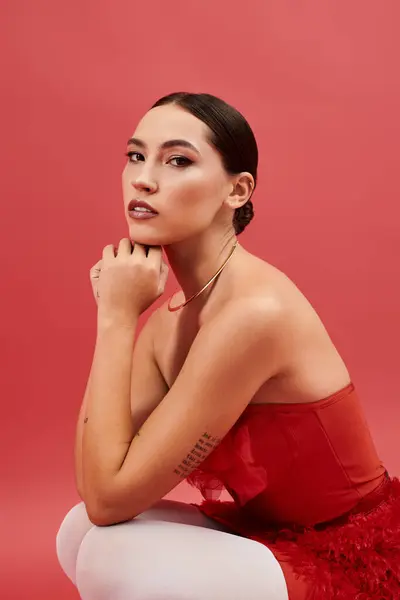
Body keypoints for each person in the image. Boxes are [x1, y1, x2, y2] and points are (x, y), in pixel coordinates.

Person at [56, 92, 400, 600]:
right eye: (135, 155)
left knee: (110, 558)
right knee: (77, 532)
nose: (144, 178)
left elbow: (110, 498)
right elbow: (97, 483)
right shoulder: (172, 319)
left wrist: (116, 318)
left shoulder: (254, 313)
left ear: (237, 191)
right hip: (264, 536)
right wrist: (118, 320)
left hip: (349, 560)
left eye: (177, 160)